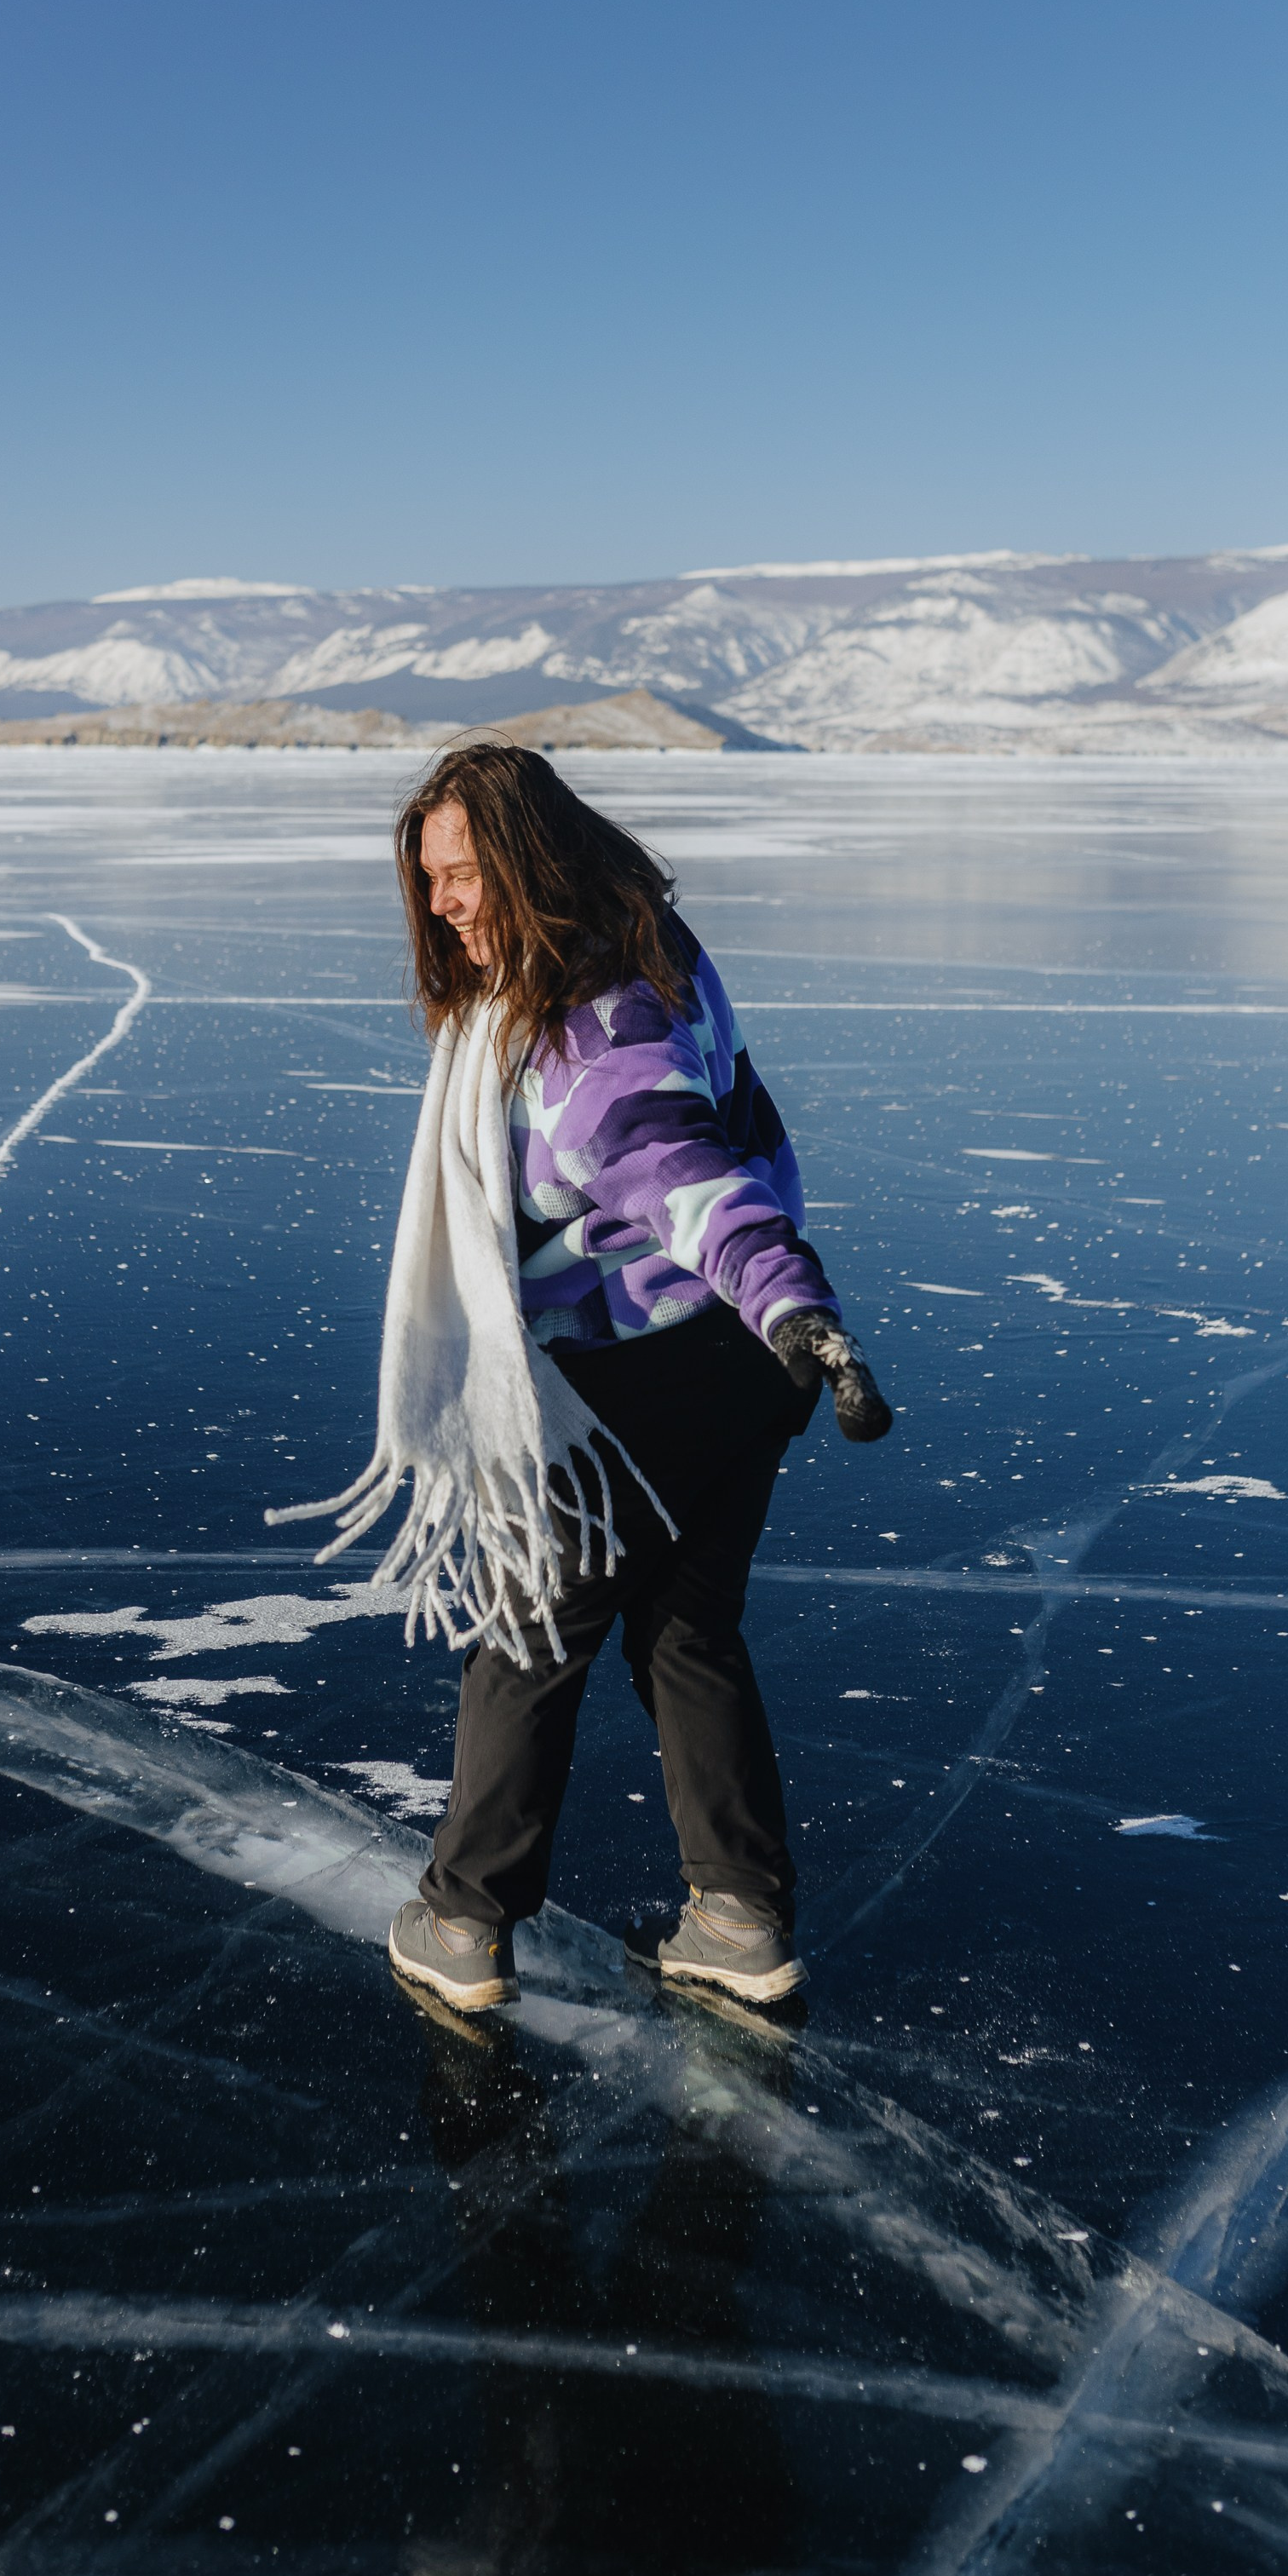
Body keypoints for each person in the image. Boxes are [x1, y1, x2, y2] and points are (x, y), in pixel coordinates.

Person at [366, 741, 892, 2014]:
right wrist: (782, 1323)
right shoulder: (650, 947)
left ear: (529, 862)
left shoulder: (586, 1016)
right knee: (685, 1629)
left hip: (641, 1374)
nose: (441, 906)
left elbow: (673, 1170)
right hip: (734, 1366)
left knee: (530, 1634)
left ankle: (464, 1919)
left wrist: (794, 1302)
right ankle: (736, 1916)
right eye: (428, 881)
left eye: (463, 876)